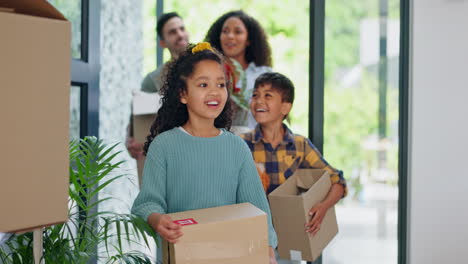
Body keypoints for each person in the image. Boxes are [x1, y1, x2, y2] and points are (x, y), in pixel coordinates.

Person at [131, 43, 278, 264]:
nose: (214, 91)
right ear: (183, 94)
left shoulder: (237, 148)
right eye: (203, 84)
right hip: (181, 256)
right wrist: (157, 219)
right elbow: (146, 203)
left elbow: (256, 208)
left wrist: (267, 250)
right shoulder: (164, 146)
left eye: (221, 84)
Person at [240, 72, 347, 264]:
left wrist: (323, 207)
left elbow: (337, 181)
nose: (258, 101)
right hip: (250, 241)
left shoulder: (299, 145)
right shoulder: (241, 144)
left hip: (288, 242)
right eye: (255, 95)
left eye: (267, 96)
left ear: (285, 107)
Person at [127, 12, 189, 167]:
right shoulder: (153, 80)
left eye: (182, 29)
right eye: (172, 32)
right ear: (162, 43)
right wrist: (131, 139)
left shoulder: (208, 67)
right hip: (170, 157)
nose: (180, 35)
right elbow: (138, 122)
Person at [205, 10, 272, 129]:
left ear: (248, 40)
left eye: (238, 32)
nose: (230, 36)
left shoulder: (264, 74)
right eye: (225, 31)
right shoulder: (207, 73)